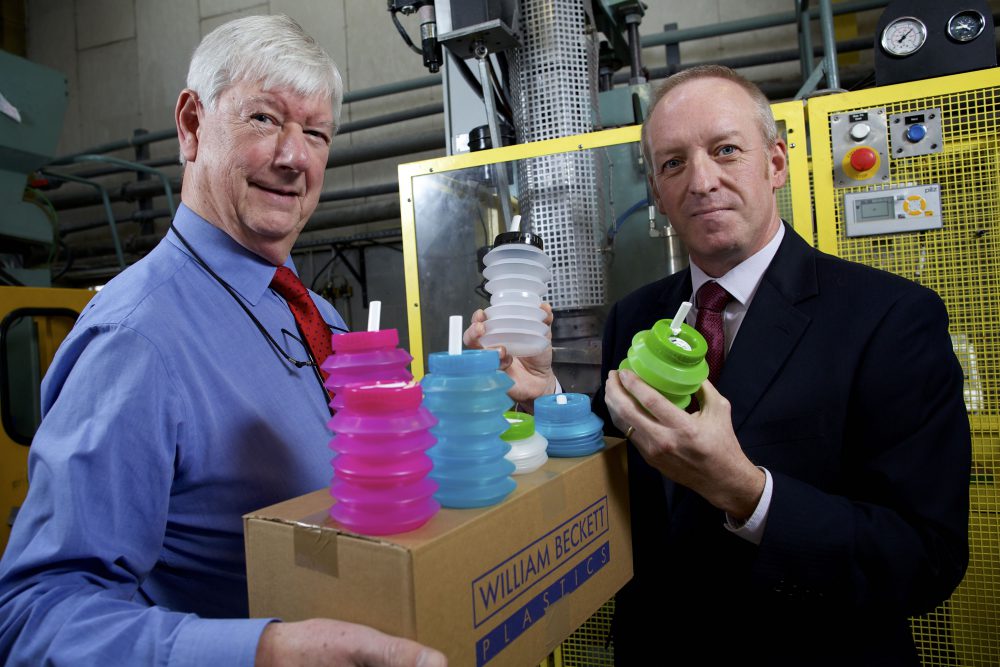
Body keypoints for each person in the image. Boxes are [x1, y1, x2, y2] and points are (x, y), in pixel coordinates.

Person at [465, 65, 970, 665]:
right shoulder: (635, 316)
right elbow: (618, 474)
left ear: (775, 164)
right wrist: (544, 394)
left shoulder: (889, 317)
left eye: (726, 150)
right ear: (657, 193)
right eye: (673, 163)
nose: (701, 181)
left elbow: (926, 557)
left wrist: (746, 492)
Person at [0, 15, 446, 667]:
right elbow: (34, 617)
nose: (295, 157)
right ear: (191, 125)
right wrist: (263, 651)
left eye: (316, 133)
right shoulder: (136, 339)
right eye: (264, 118)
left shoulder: (320, 316)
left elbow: (369, 467)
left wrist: (480, 401)